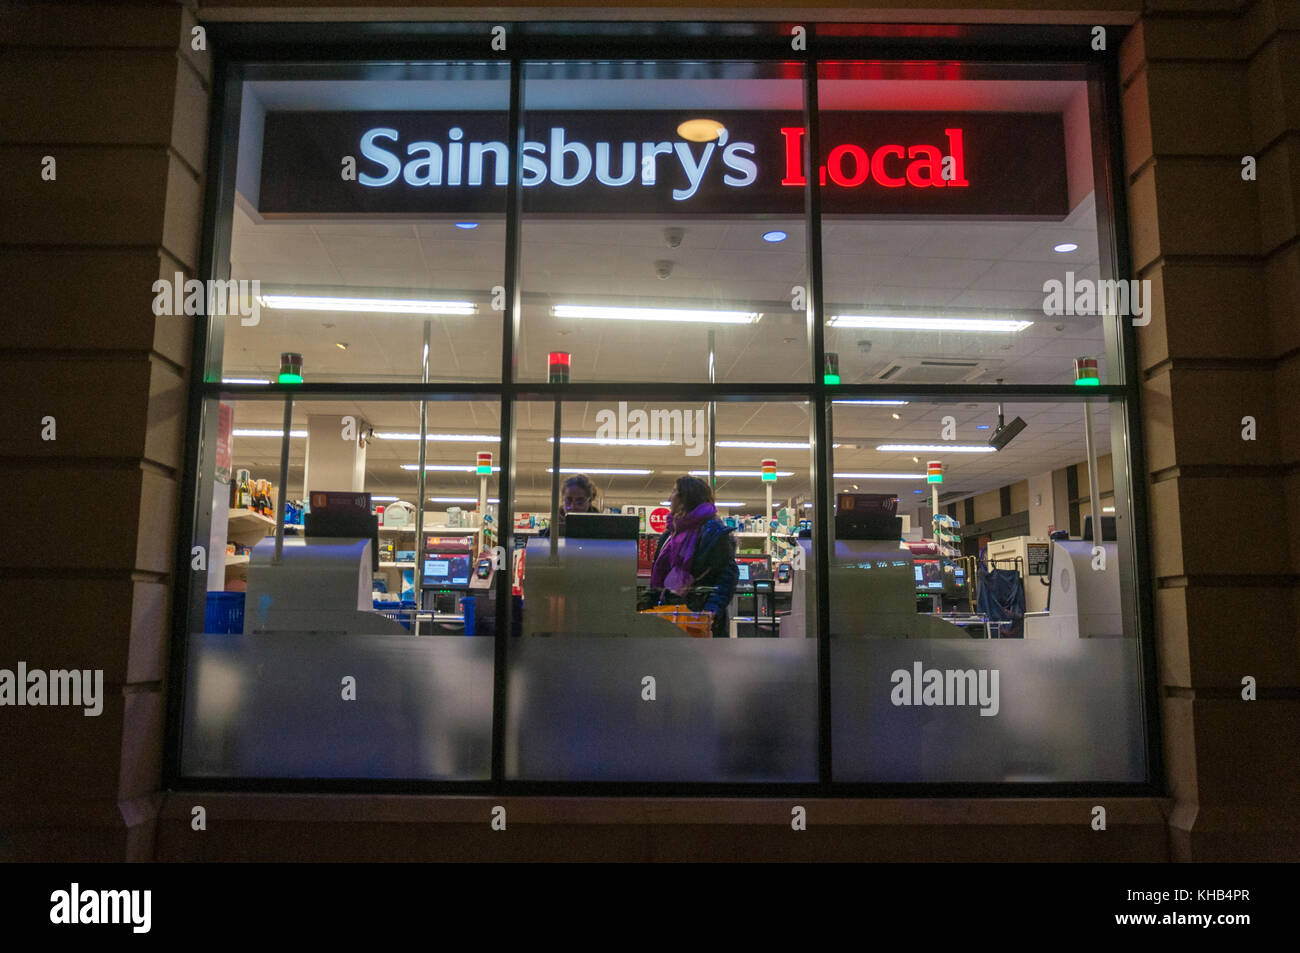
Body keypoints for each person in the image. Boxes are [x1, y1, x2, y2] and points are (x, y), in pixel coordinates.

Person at [640, 476, 739, 638]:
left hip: (700, 620)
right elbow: (660, 577)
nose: (669, 497)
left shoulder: (713, 533)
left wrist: (710, 611)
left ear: (685, 498)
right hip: (670, 615)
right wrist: (647, 603)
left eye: (674, 492)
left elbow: (727, 576)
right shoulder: (669, 535)